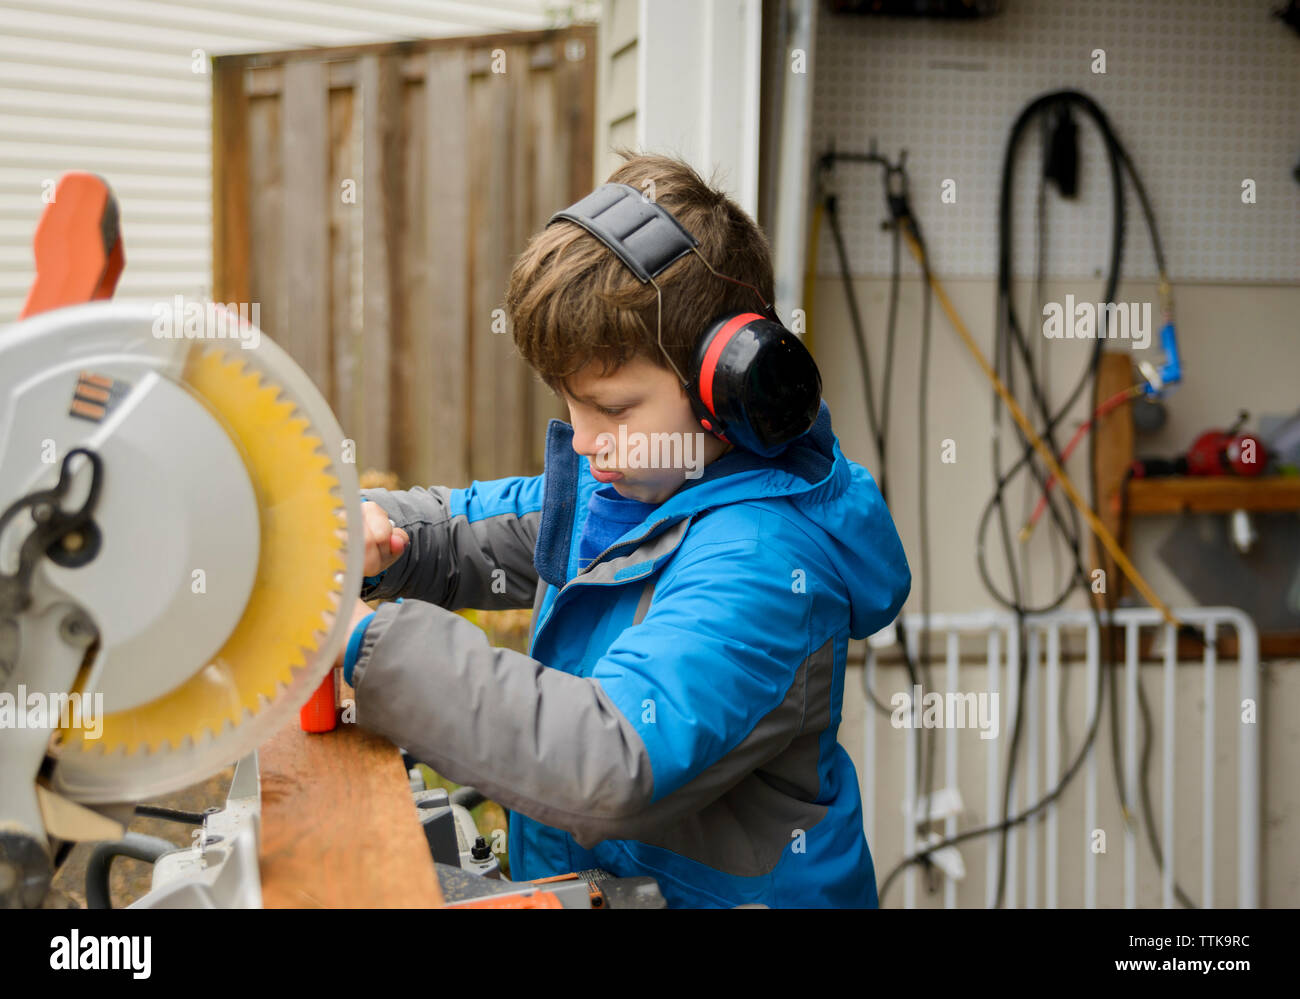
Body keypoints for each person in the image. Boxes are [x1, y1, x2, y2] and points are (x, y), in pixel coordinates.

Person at [335, 150, 911, 908]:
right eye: (569, 403)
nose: (582, 440)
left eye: (611, 409)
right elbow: (469, 531)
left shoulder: (768, 561)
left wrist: (364, 641)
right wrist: (370, 538)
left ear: (730, 384)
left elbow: (608, 759)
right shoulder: (638, 490)